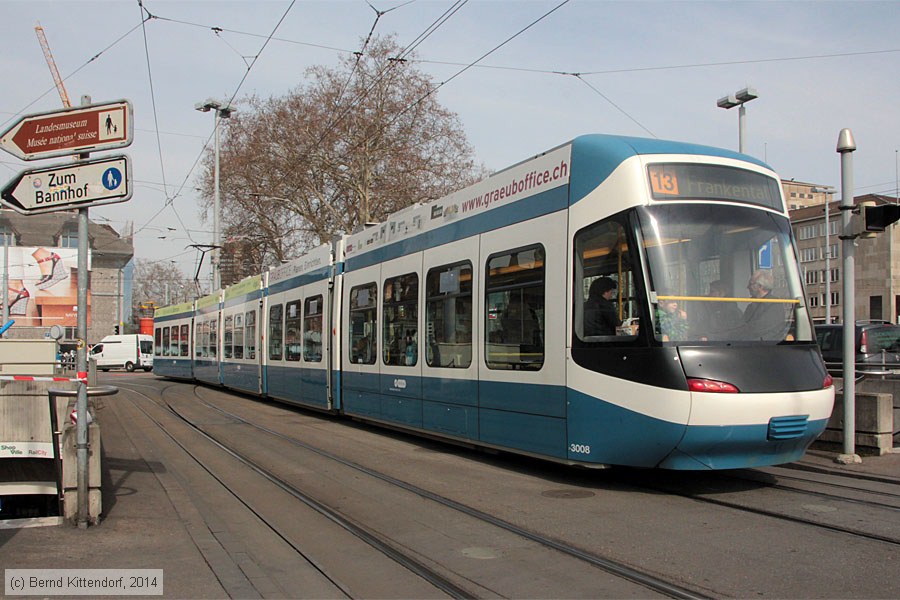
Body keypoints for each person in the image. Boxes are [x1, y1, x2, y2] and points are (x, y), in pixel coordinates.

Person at [740, 269, 788, 340]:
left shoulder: (774, 305)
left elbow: (757, 328)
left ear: (760, 286)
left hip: (766, 347)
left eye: (751, 284)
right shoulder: (752, 306)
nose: (748, 287)